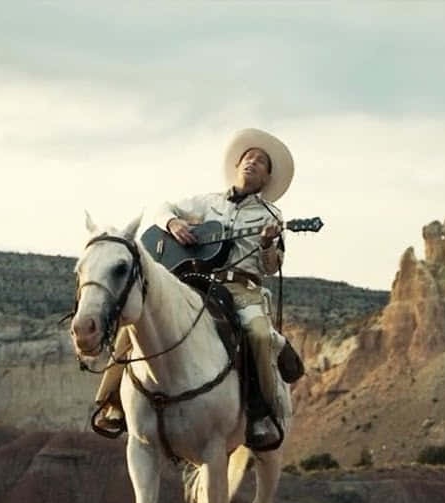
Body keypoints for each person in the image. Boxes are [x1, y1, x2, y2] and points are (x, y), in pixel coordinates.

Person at [92, 128, 295, 448]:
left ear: (267, 176)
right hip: (196, 282)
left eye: (260, 161)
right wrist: (173, 223)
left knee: (258, 334)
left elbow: (271, 266)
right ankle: (112, 402)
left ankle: (260, 415)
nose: (252, 162)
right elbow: (162, 208)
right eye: (248, 157)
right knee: (141, 316)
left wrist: (268, 243)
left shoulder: (272, 215)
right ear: (237, 165)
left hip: (242, 289)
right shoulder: (206, 202)